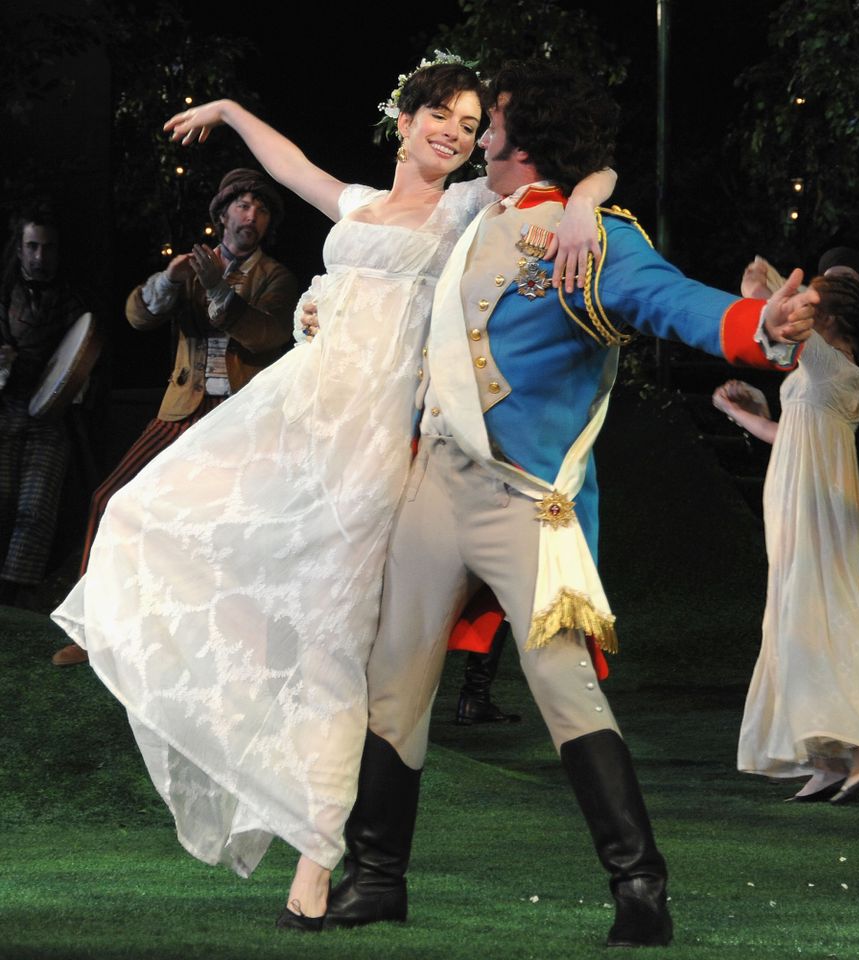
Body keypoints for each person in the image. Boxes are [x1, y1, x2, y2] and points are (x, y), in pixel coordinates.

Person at [51, 57, 617, 925]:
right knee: (145, 511)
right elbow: (291, 168)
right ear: (407, 118)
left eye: (471, 127)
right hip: (301, 411)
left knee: (334, 637)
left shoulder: (468, 208)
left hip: (378, 439)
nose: (457, 135)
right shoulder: (358, 203)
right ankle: (275, 770)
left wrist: (581, 203)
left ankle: (317, 862)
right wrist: (234, 109)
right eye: (444, 116)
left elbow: (590, 175)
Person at [320, 61, 819, 948]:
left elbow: (667, 298)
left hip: (527, 507)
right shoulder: (476, 209)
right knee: (393, 687)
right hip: (432, 487)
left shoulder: (593, 237)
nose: (476, 130)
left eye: (492, 116)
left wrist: (757, 329)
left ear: (523, 132)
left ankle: (639, 888)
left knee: (564, 692)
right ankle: (376, 880)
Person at [51, 168, 300, 665]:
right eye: (244, 206)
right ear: (223, 214)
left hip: (239, 417)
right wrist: (168, 281)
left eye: (262, 209)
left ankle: (219, 641)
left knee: (231, 528)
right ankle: (93, 627)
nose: (252, 216)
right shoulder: (191, 266)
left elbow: (267, 336)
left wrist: (221, 294)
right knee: (110, 500)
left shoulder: (274, 276)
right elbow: (137, 316)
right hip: (183, 410)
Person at [714, 275, 859, 804]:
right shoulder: (825, 376)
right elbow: (792, 432)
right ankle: (827, 757)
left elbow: (787, 331)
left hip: (818, 506)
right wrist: (742, 415)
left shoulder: (839, 368)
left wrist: (758, 291)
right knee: (792, 617)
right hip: (795, 504)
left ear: (828, 318)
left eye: (813, 303)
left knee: (810, 617)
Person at [0, 203, 87, 606]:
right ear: (19, 249)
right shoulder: (3, 295)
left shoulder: (75, 301)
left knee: (36, 509)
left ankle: (18, 595)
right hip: (4, 408)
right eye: (32, 246)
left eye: (47, 248)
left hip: (50, 415)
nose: (40, 257)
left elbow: (82, 361)